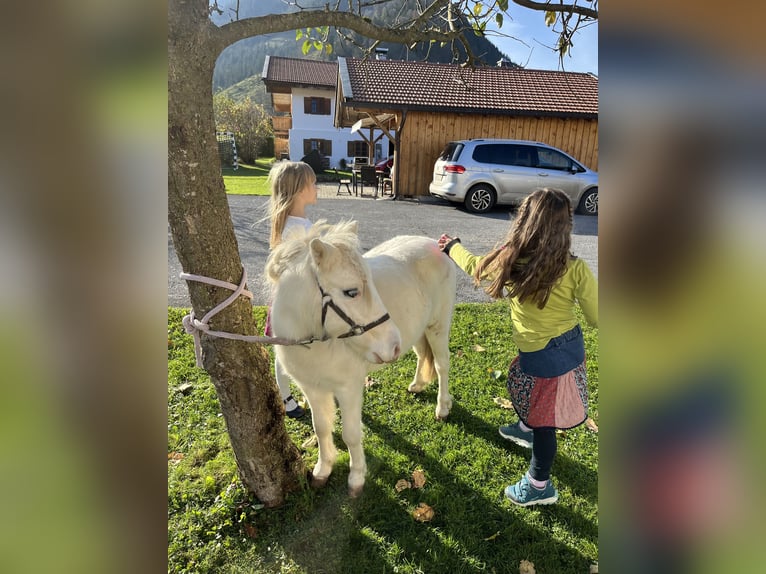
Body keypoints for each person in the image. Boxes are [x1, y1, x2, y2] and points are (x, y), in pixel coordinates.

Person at [438, 188, 598, 506]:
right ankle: (526, 426)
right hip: (559, 349)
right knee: (522, 382)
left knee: (544, 424)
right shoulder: (573, 268)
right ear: (565, 227)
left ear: (524, 221)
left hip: (551, 356)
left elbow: (475, 265)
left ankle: (539, 486)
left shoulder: (511, 259)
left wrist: (452, 247)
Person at [265, 160, 319, 418]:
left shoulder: (299, 222)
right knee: (285, 348)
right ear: (299, 191)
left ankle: (301, 389)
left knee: (297, 347)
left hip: (300, 298)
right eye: (313, 183)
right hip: (293, 302)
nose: (317, 187)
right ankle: (285, 397)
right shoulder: (294, 228)